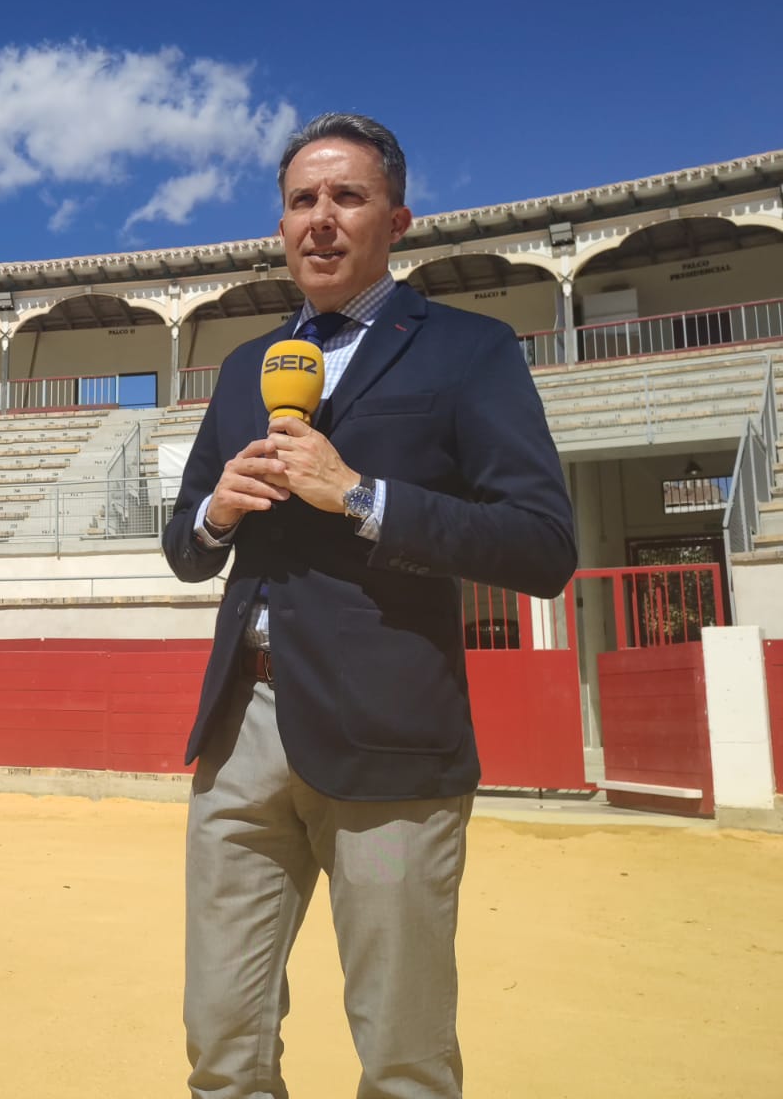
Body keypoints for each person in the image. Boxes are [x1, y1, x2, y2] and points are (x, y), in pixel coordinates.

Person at [162, 112, 576, 1099]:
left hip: (387, 757)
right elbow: (183, 546)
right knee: (220, 1037)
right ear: (280, 226)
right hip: (242, 740)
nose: (319, 219)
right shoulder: (243, 369)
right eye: (301, 200)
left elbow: (542, 544)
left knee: (399, 1047)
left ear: (396, 220)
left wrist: (358, 495)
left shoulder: (465, 352)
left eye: (345, 197)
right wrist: (217, 511)